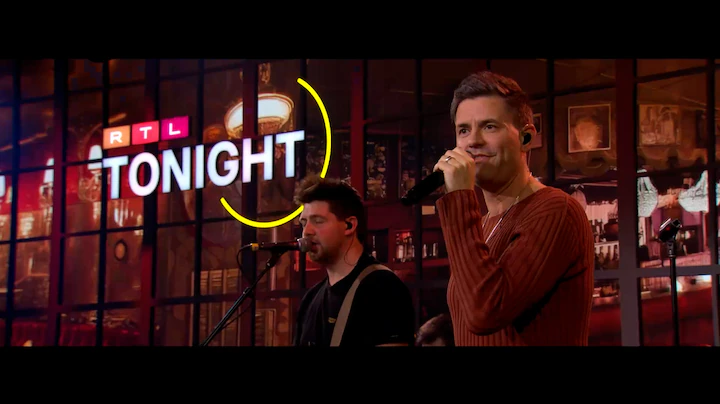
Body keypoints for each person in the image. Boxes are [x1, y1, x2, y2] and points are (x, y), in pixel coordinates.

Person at [432, 70, 595, 346]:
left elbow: (486, 311)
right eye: (464, 130)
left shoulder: (556, 210)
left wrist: (459, 197)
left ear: (526, 138)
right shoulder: (482, 224)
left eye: (489, 127)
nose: (473, 141)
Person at [292, 175, 416, 347]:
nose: (306, 232)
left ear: (349, 225)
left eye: (318, 221)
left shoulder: (383, 287)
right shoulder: (310, 299)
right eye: (304, 223)